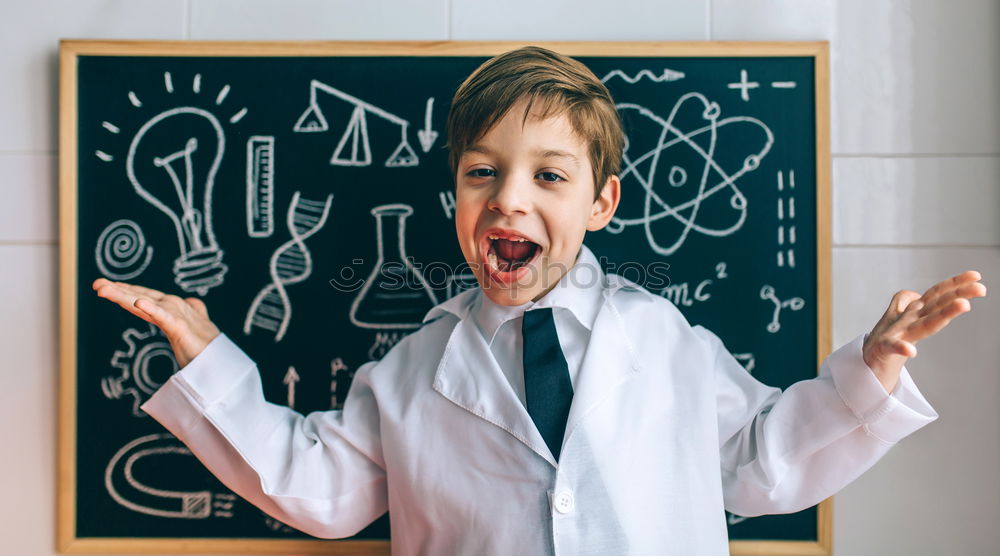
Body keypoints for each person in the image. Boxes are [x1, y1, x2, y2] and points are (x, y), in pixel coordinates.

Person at [92, 46, 987, 555]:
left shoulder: (663, 340)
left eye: (547, 176)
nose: (508, 198)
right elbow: (322, 490)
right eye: (482, 173)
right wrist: (211, 362)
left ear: (600, 205)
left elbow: (765, 461)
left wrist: (865, 376)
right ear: (455, 198)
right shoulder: (413, 371)